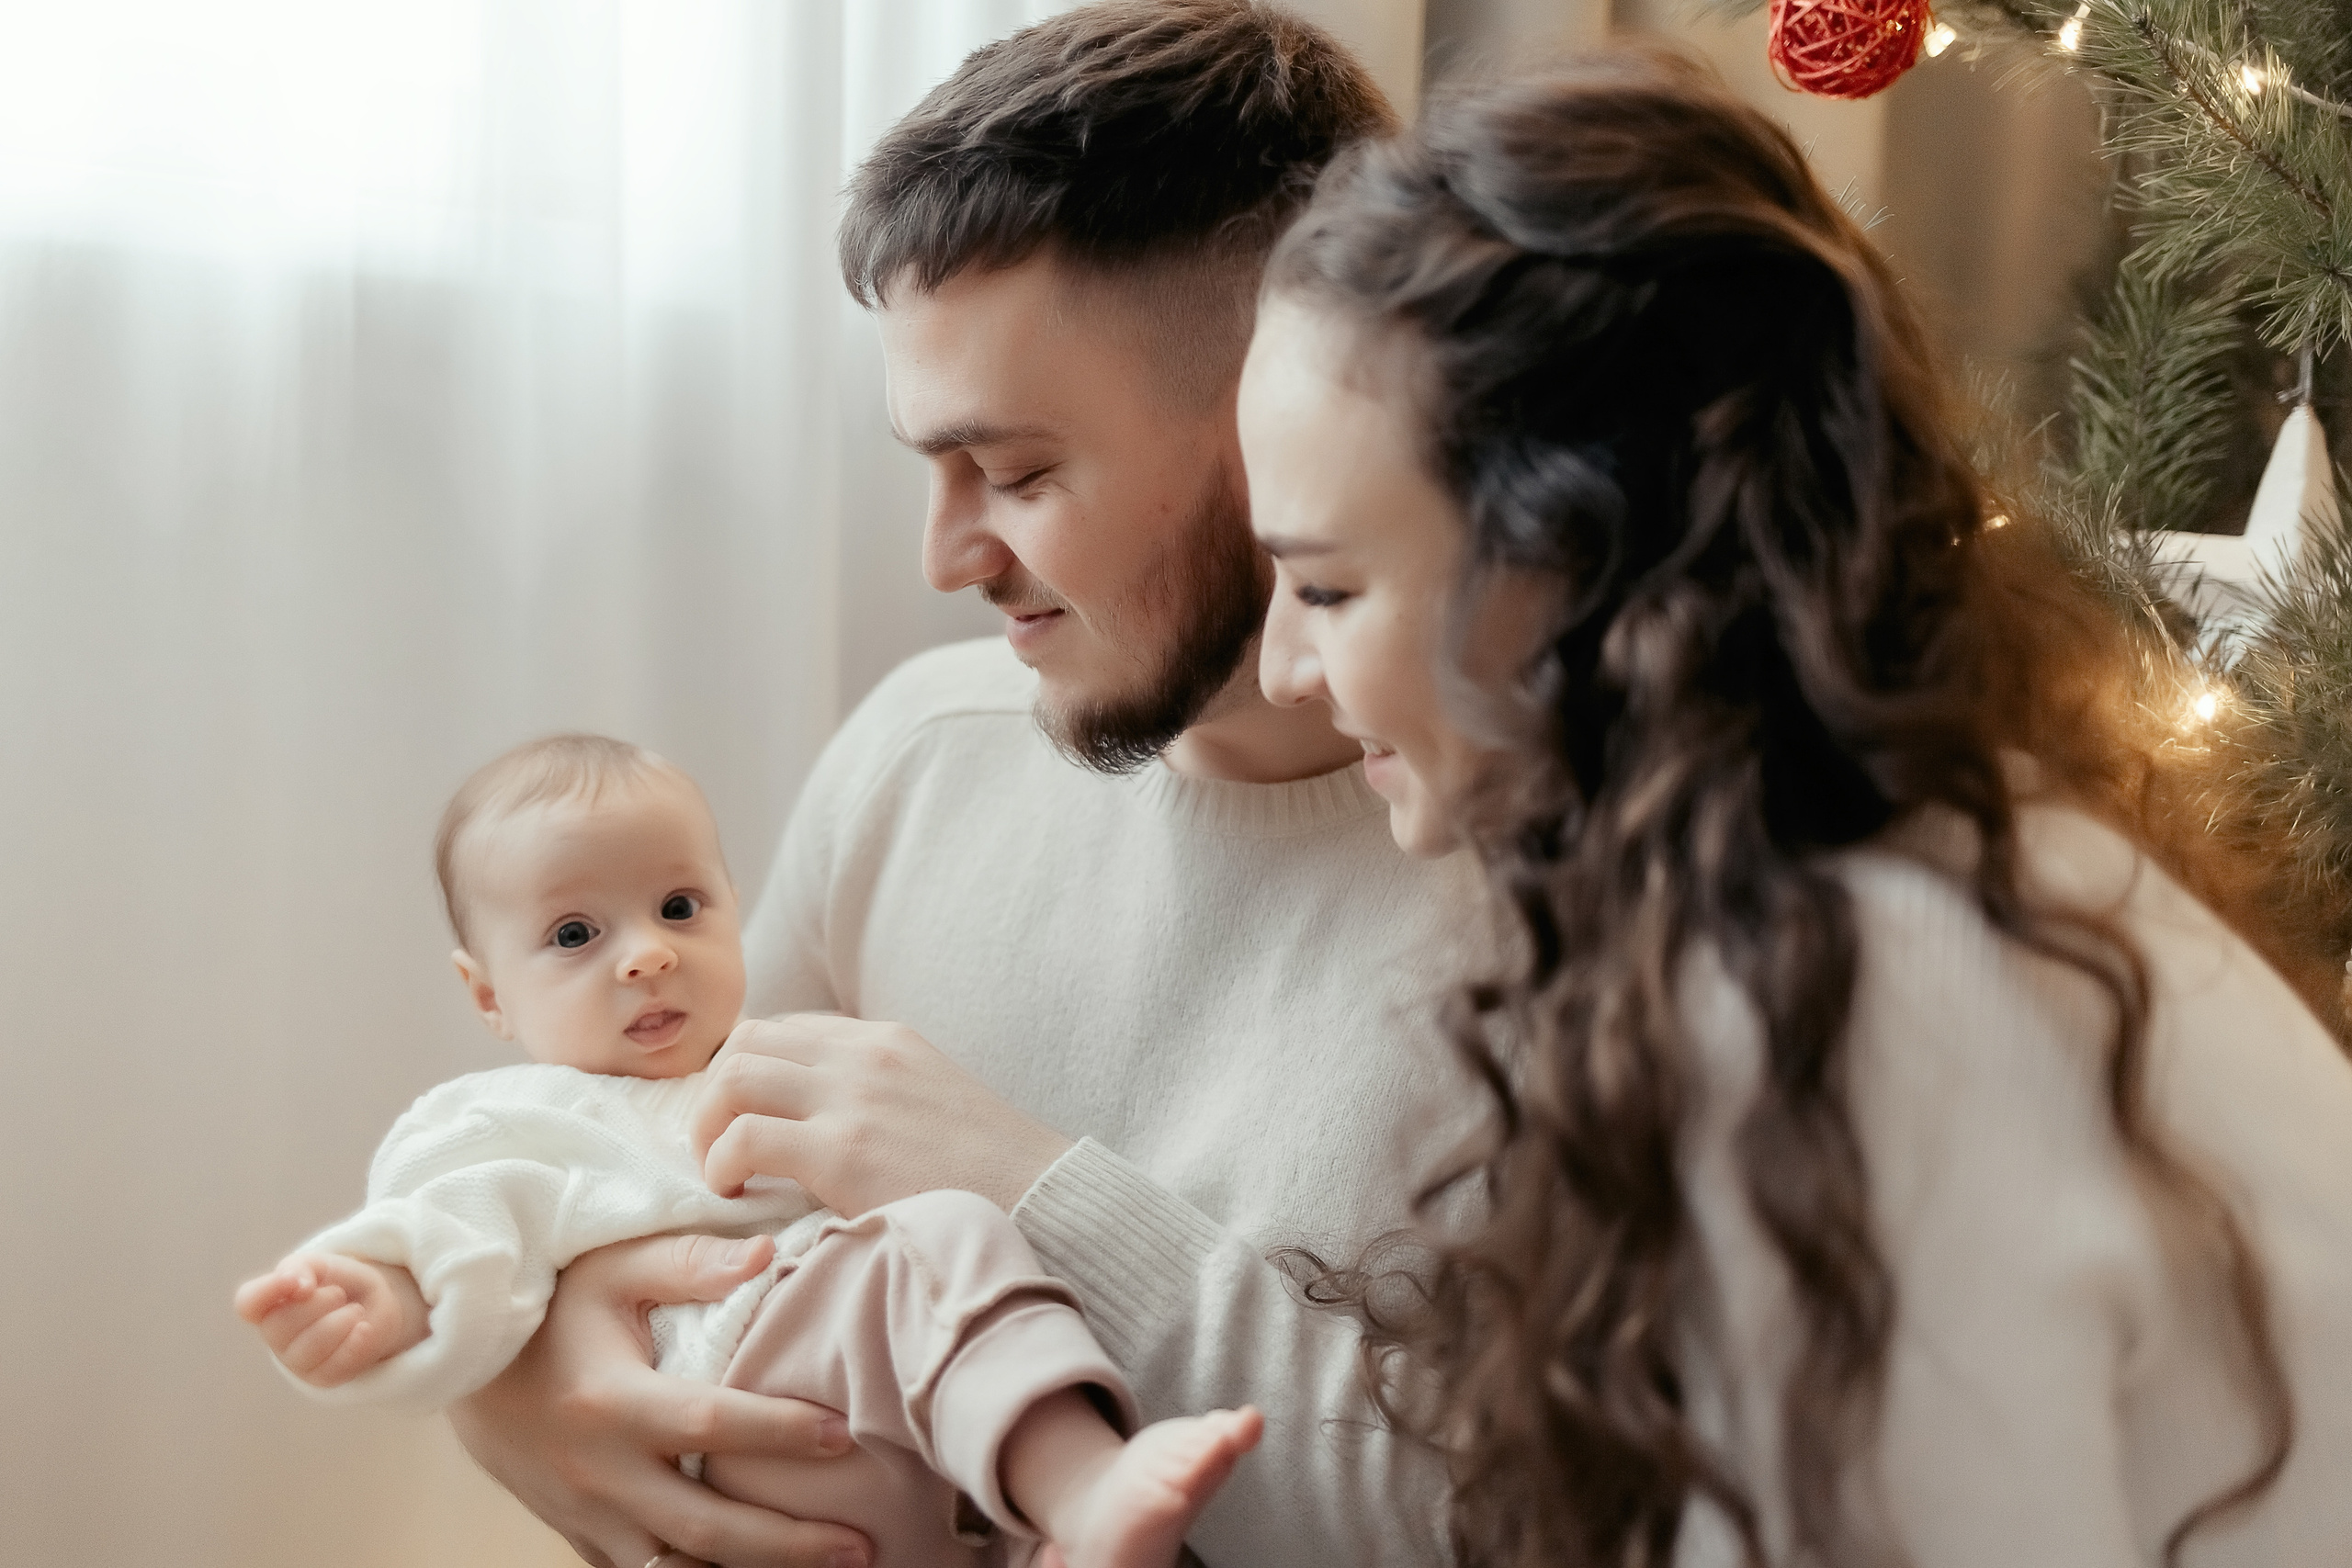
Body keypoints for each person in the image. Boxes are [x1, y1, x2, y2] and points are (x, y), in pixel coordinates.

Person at [1238, 48, 2352, 1567]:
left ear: (1582, 559)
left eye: (1325, 585)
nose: (1283, 666)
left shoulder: (1879, 982)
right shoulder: (1928, 882)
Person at [447, 8, 1472, 1568]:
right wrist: (521, 1375)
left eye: (1019, 472)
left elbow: (1510, 1526)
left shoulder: (1571, 893)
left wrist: (1032, 1194)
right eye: (931, 464)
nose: (944, 558)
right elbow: (656, 1184)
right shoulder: (927, 745)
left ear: (1286, 417)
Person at [233, 734, 1263, 1568]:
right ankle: (1083, 1483)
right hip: (722, 1401)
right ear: (488, 994)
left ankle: (1068, 1517)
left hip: (895, 1443)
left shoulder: (789, 1062)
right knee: (935, 1237)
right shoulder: (510, 1119)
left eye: (680, 907)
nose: (648, 952)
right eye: (575, 934)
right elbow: (444, 1238)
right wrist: (377, 1298)